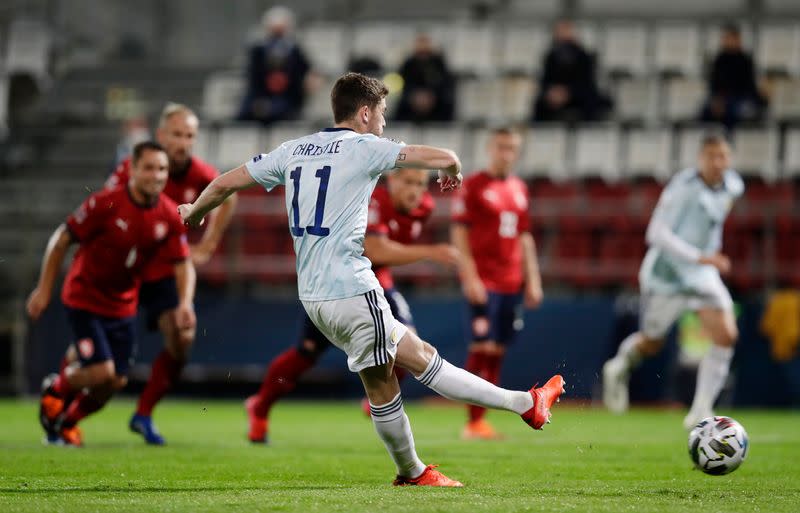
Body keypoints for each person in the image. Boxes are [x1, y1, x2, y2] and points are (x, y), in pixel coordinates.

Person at [179, 72, 565, 486]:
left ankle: (416, 470)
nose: (384, 122)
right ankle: (524, 405)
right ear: (364, 113)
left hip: (313, 296)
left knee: (385, 381)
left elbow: (224, 183)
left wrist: (196, 213)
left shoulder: (293, 150)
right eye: (381, 113)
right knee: (424, 364)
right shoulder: (364, 147)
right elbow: (436, 154)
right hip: (352, 288)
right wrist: (452, 164)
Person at [245, 167, 460, 443]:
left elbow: (381, 256)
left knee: (410, 349)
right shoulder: (374, 202)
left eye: (420, 184)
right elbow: (375, 250)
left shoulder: (423, 207)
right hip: (338, 285)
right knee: (304, 355)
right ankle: (260, 407)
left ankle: (378, 403)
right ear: (392, 180)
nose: (415, 190)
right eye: (408, 182)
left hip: (375, 284)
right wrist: (432, 252)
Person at [26, 141, 194, 446]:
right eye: (149, 168)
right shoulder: (105, 204)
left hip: (123, 306)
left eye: (162, 169)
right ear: (132, 169)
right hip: (84, 298)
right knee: (102, 373)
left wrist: (185, 303)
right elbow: (61, 240)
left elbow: (183, 264)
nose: (156, 175)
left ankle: (66, 423)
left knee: (114, 382)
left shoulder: (169, 215)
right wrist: (43, 289)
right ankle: (56, 387)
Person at [105, 103, 237, 445]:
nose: (184, 142)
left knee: (182, 338)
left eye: (190, 135)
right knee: (99, 355)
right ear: (161, 135)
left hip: (165, 270)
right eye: (177, 134)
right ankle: (61, 398)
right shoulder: (135, 171)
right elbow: (107, 207)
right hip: (125, 268)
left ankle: (144, 413)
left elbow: (229, 197)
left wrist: (208, 246)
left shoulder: (202, 174)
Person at [602, 133, 743, 429]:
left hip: (703, 274)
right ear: (700, 159)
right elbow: (655, 234)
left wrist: (706, 258)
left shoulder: (733, 185)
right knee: (652, 342)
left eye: (723, 157)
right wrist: (698, 256)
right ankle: (618, 367)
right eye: (712, 156)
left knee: (726, 334)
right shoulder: (682, 188)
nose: (718, 163)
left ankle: (701, 410)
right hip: (667, 274)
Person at [451, 127, 544, 440]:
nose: (506, 153)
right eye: (502, 147)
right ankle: (472, 421)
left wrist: (533, 280)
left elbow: (525, 236)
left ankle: (480, 421)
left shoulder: (519, 188)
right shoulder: (474, 186)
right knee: (482, 346)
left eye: (512, 148)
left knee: (497, 351)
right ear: (491, 148)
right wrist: (470, 275)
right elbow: (459, 232)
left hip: (511, 282)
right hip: (484, 279)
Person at [237, 6, 310, 124]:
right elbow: (254, 79)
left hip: (286, 98)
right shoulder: (258, 51)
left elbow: (302, 74)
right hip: (261, 97)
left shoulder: (295, 52)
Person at [532, 19, 610, 122]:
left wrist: (568, 92)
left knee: (593, 102)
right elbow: (545, 80)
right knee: (540, 104)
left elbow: (587, 81)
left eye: (566, 30)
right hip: (556, 95)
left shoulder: (584, 55)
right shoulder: (551, 56)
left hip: (578, 93)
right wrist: (552, 92)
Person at [701, 24, 766, 129]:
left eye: (731, 38)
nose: (727, 41)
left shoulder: (745, 60)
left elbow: (749, 85)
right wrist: (717, 99)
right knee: (705, 113)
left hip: (741, 97)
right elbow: (714, 84)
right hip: (720, 98)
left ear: (738, 39)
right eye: (726, 38)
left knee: (734, 112)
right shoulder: (719, 60)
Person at [395, 33, 455, 123]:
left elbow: (445, 84)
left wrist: (432, 96)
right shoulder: (408, 64)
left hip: (436, 103)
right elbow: (403, 84)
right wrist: (414, 96)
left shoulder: (438, 63)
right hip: (411, 103)